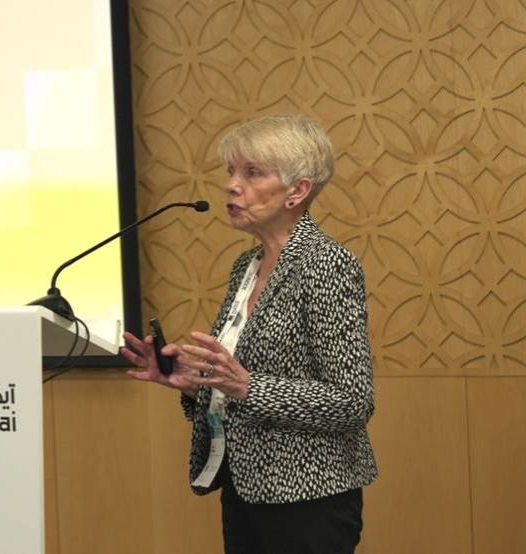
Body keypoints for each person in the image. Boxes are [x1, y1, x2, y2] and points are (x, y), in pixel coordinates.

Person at [121, 114, 377, 554]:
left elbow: (353, 402)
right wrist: (194, 384)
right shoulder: (247, 266)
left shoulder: (326, 264)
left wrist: (248, 386)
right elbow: (240, 386)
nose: (231, 185)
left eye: (252, 173)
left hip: (307, 497)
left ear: (297, 191)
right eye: (231, 171)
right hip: (245, 488)